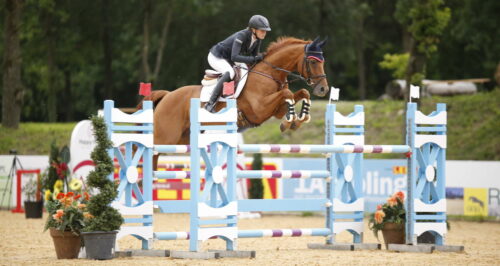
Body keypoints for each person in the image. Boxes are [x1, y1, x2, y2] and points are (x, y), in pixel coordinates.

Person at [204, 15, 271, 113]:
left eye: (265, 31)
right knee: (230, 72)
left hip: (229, 59)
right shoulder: (242, 36)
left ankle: (232, 97)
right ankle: (210, 103)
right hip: (217, 56)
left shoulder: (258, 40)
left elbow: (255, 58)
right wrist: (254, 59)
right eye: (262, 30)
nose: (264, 33)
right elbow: (234, 57)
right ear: (253, 29)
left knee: (245, 69)